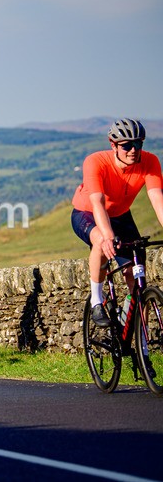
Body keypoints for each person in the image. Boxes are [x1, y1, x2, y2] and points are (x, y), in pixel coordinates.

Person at [71, 118, 163, 347]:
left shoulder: (150, 161)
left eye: (138, 144)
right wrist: (108, 236)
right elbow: (98, 202)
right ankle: (96, 301)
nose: (134, 150)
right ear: (113, 145)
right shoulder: (96, 162)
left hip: (121, 215)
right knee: (102, 241)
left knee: (136, 274)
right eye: (126, 146)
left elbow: (157, 200)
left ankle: (136, 337)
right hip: (88, 212)